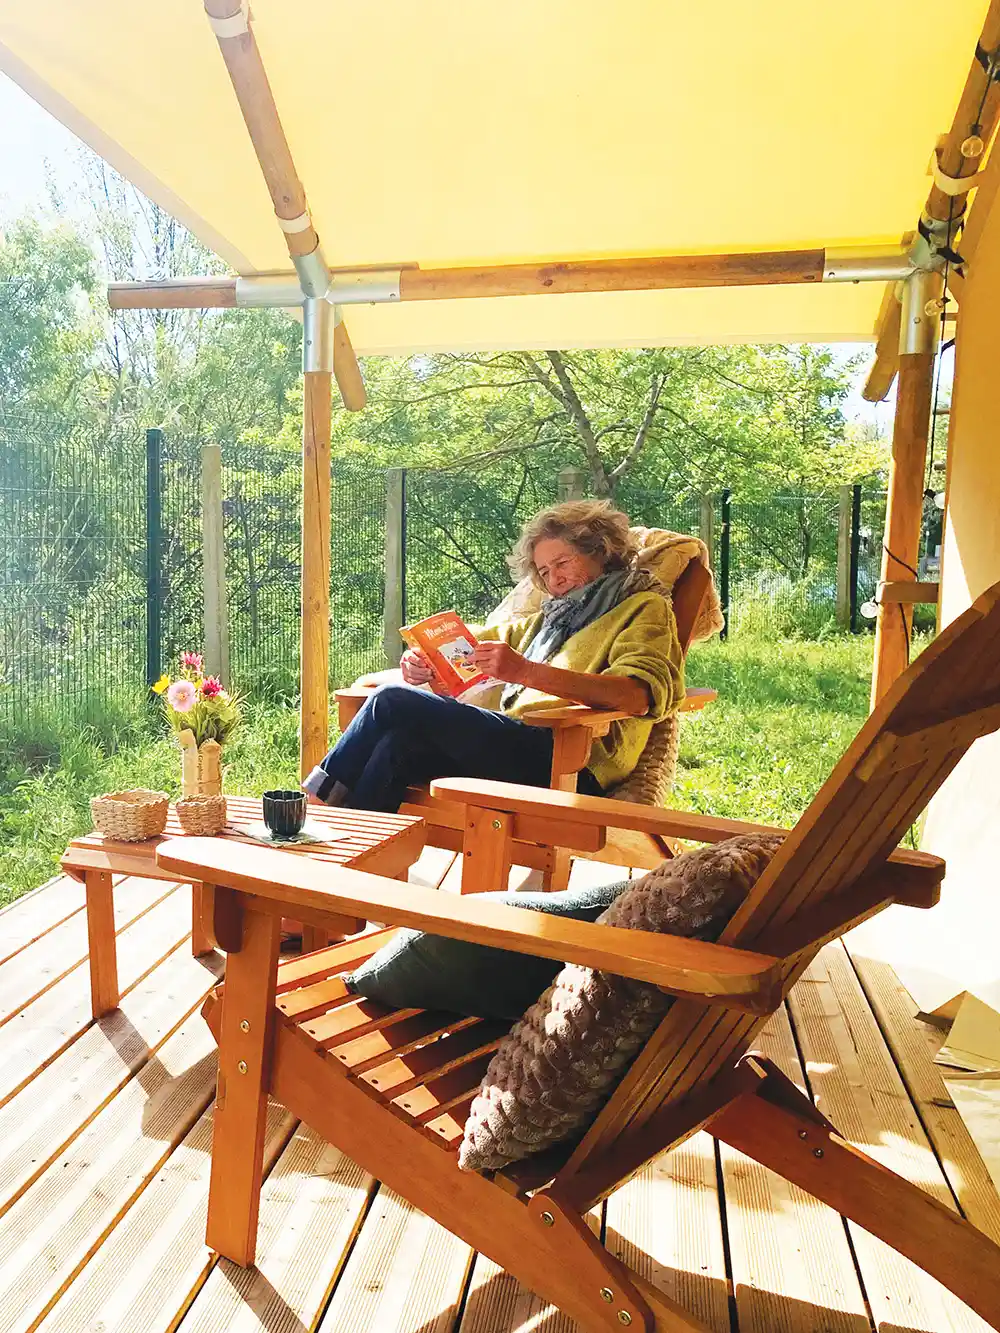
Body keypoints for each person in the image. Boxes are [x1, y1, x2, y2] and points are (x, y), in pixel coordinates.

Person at [302, 500, 684, 813]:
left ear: (600, 551)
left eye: (563, 563)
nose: (555, 579)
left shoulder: (643, 609)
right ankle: (354, 863)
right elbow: (466, 645)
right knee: (396, 744)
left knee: (390, 701)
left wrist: (525, 672)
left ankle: (310, 806)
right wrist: (422, 660)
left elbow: (637, 694)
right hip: (516, 746)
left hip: (573, 758)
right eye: (546, 571)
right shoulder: (546, 622)